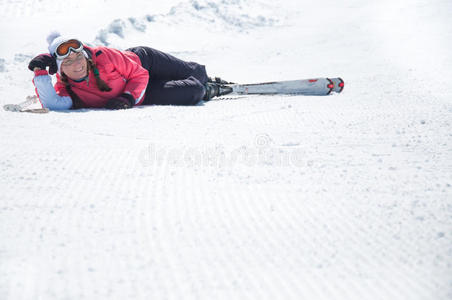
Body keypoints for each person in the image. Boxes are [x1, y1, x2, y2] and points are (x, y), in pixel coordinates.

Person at [28, 33, 233, 110]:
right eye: (68, 61)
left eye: (79, 56)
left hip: (143, 63)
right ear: (60, 68)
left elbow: (140, 74)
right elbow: (53, 104)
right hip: (139, 93)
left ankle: (209, 79)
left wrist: (127, 97)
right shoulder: (67, 89)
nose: (77, 63)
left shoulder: (103, 56)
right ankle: (209, 89)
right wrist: (39, 71)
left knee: (195, 73)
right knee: (193, 91)